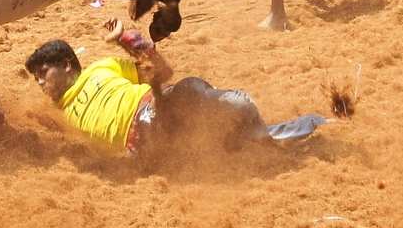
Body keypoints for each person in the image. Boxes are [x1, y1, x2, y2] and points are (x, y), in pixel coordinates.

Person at [26, 18, 327, 161]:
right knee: (209, 142)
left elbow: (163, 71)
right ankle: (266, 139)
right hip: (140, 147)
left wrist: (131, 43)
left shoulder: (101, 67)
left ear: (67, 65)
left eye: (43, 73)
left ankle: (267, 137)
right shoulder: (57, 116)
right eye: (36, 78)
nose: (40, 83)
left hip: (153, 108)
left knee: (192, 92)